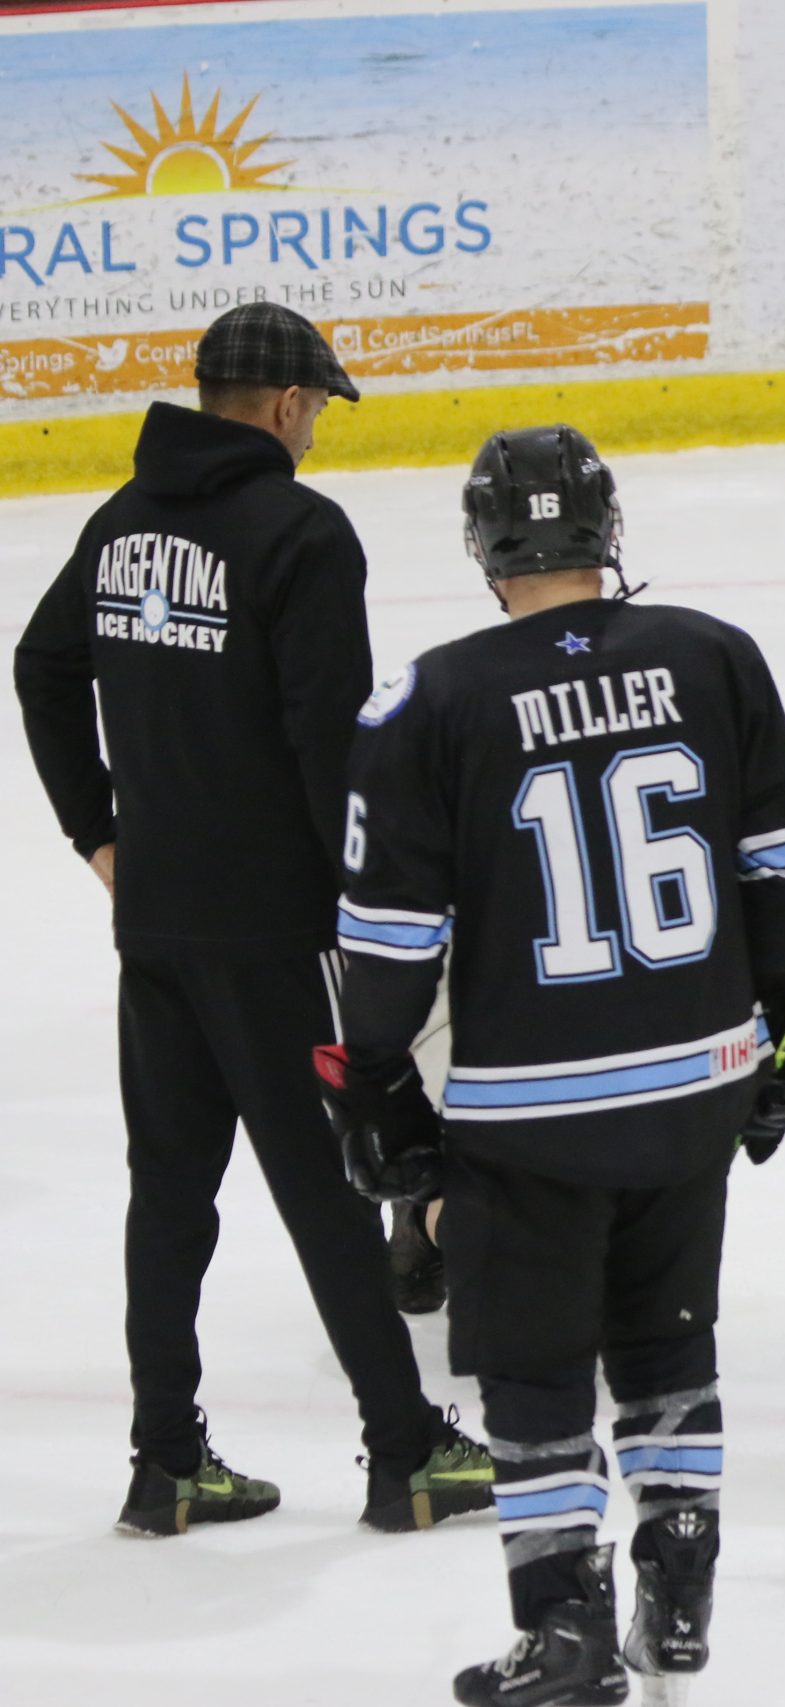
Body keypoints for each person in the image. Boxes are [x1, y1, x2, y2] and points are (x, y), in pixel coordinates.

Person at [316, 426, 785, 1704]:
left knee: (536, 1369)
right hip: (692, 1089)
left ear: (484, 547)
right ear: (608, 532)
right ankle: (680, 1598)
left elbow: (389, 942)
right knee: (669, 1344)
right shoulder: (715, 656)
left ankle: (564, 1633)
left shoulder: (428, 699)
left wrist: (376, 1084)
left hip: (526, 1115)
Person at [13, 301, 493, 1538]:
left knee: (169, 1193)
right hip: (274, 931)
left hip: (157, 923)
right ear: (284, 405)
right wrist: (376, 899)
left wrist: (99, 833)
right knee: (331, 1190)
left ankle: (166, 1462)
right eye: (317, 406)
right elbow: (329, 744)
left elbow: (40, 666)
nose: (318, 427)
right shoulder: (301, 532)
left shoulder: (122, 523)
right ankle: (405, 1454)